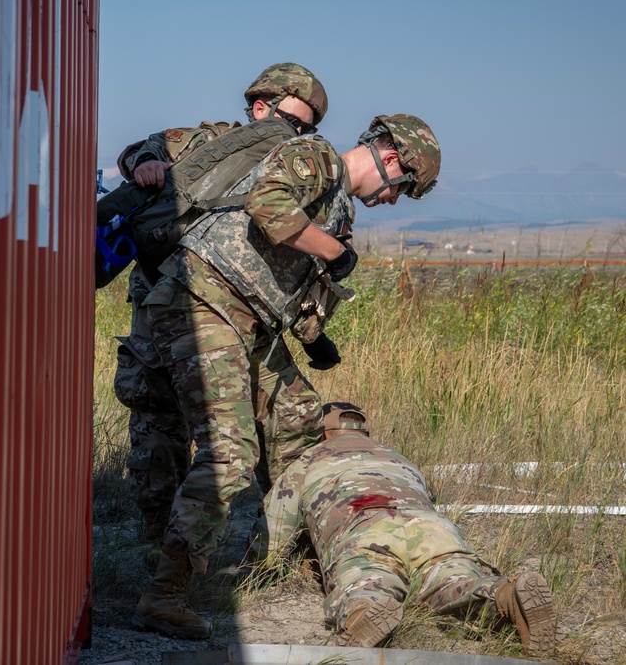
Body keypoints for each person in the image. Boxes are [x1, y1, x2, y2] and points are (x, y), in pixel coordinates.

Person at [131, 110, 442, 640]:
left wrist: (318, 339)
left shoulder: (337, 208)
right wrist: (335, 251)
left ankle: (281, 552)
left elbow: (294, 285)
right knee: (228, 454)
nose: (392, 201)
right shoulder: (316, 157)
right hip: (203, 301)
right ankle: (164, 594)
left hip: (249, 319)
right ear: (391, 159)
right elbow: (266, 206)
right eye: (402, 190)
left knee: (298, 421)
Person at [112, 63, 338, 559]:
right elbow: (139, 149)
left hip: (228, 312)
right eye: (293, 124)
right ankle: (157, 545)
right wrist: (146, 163)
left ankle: (271, 537)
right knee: (158, 422)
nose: (298, 136)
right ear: (262, 107)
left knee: (253, 420)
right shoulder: (209, 141)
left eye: (306, 131)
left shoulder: (291, 169)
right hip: (160, 296)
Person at [272, 402, 558, 656]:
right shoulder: (401, 459)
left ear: (322, 432)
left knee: (369, 580)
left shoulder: (308, 460)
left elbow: (273, 537)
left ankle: (366, 610)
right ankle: (503, 596)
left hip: (365, 528)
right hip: (434, 529)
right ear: (365, 432)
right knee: (450, 582)